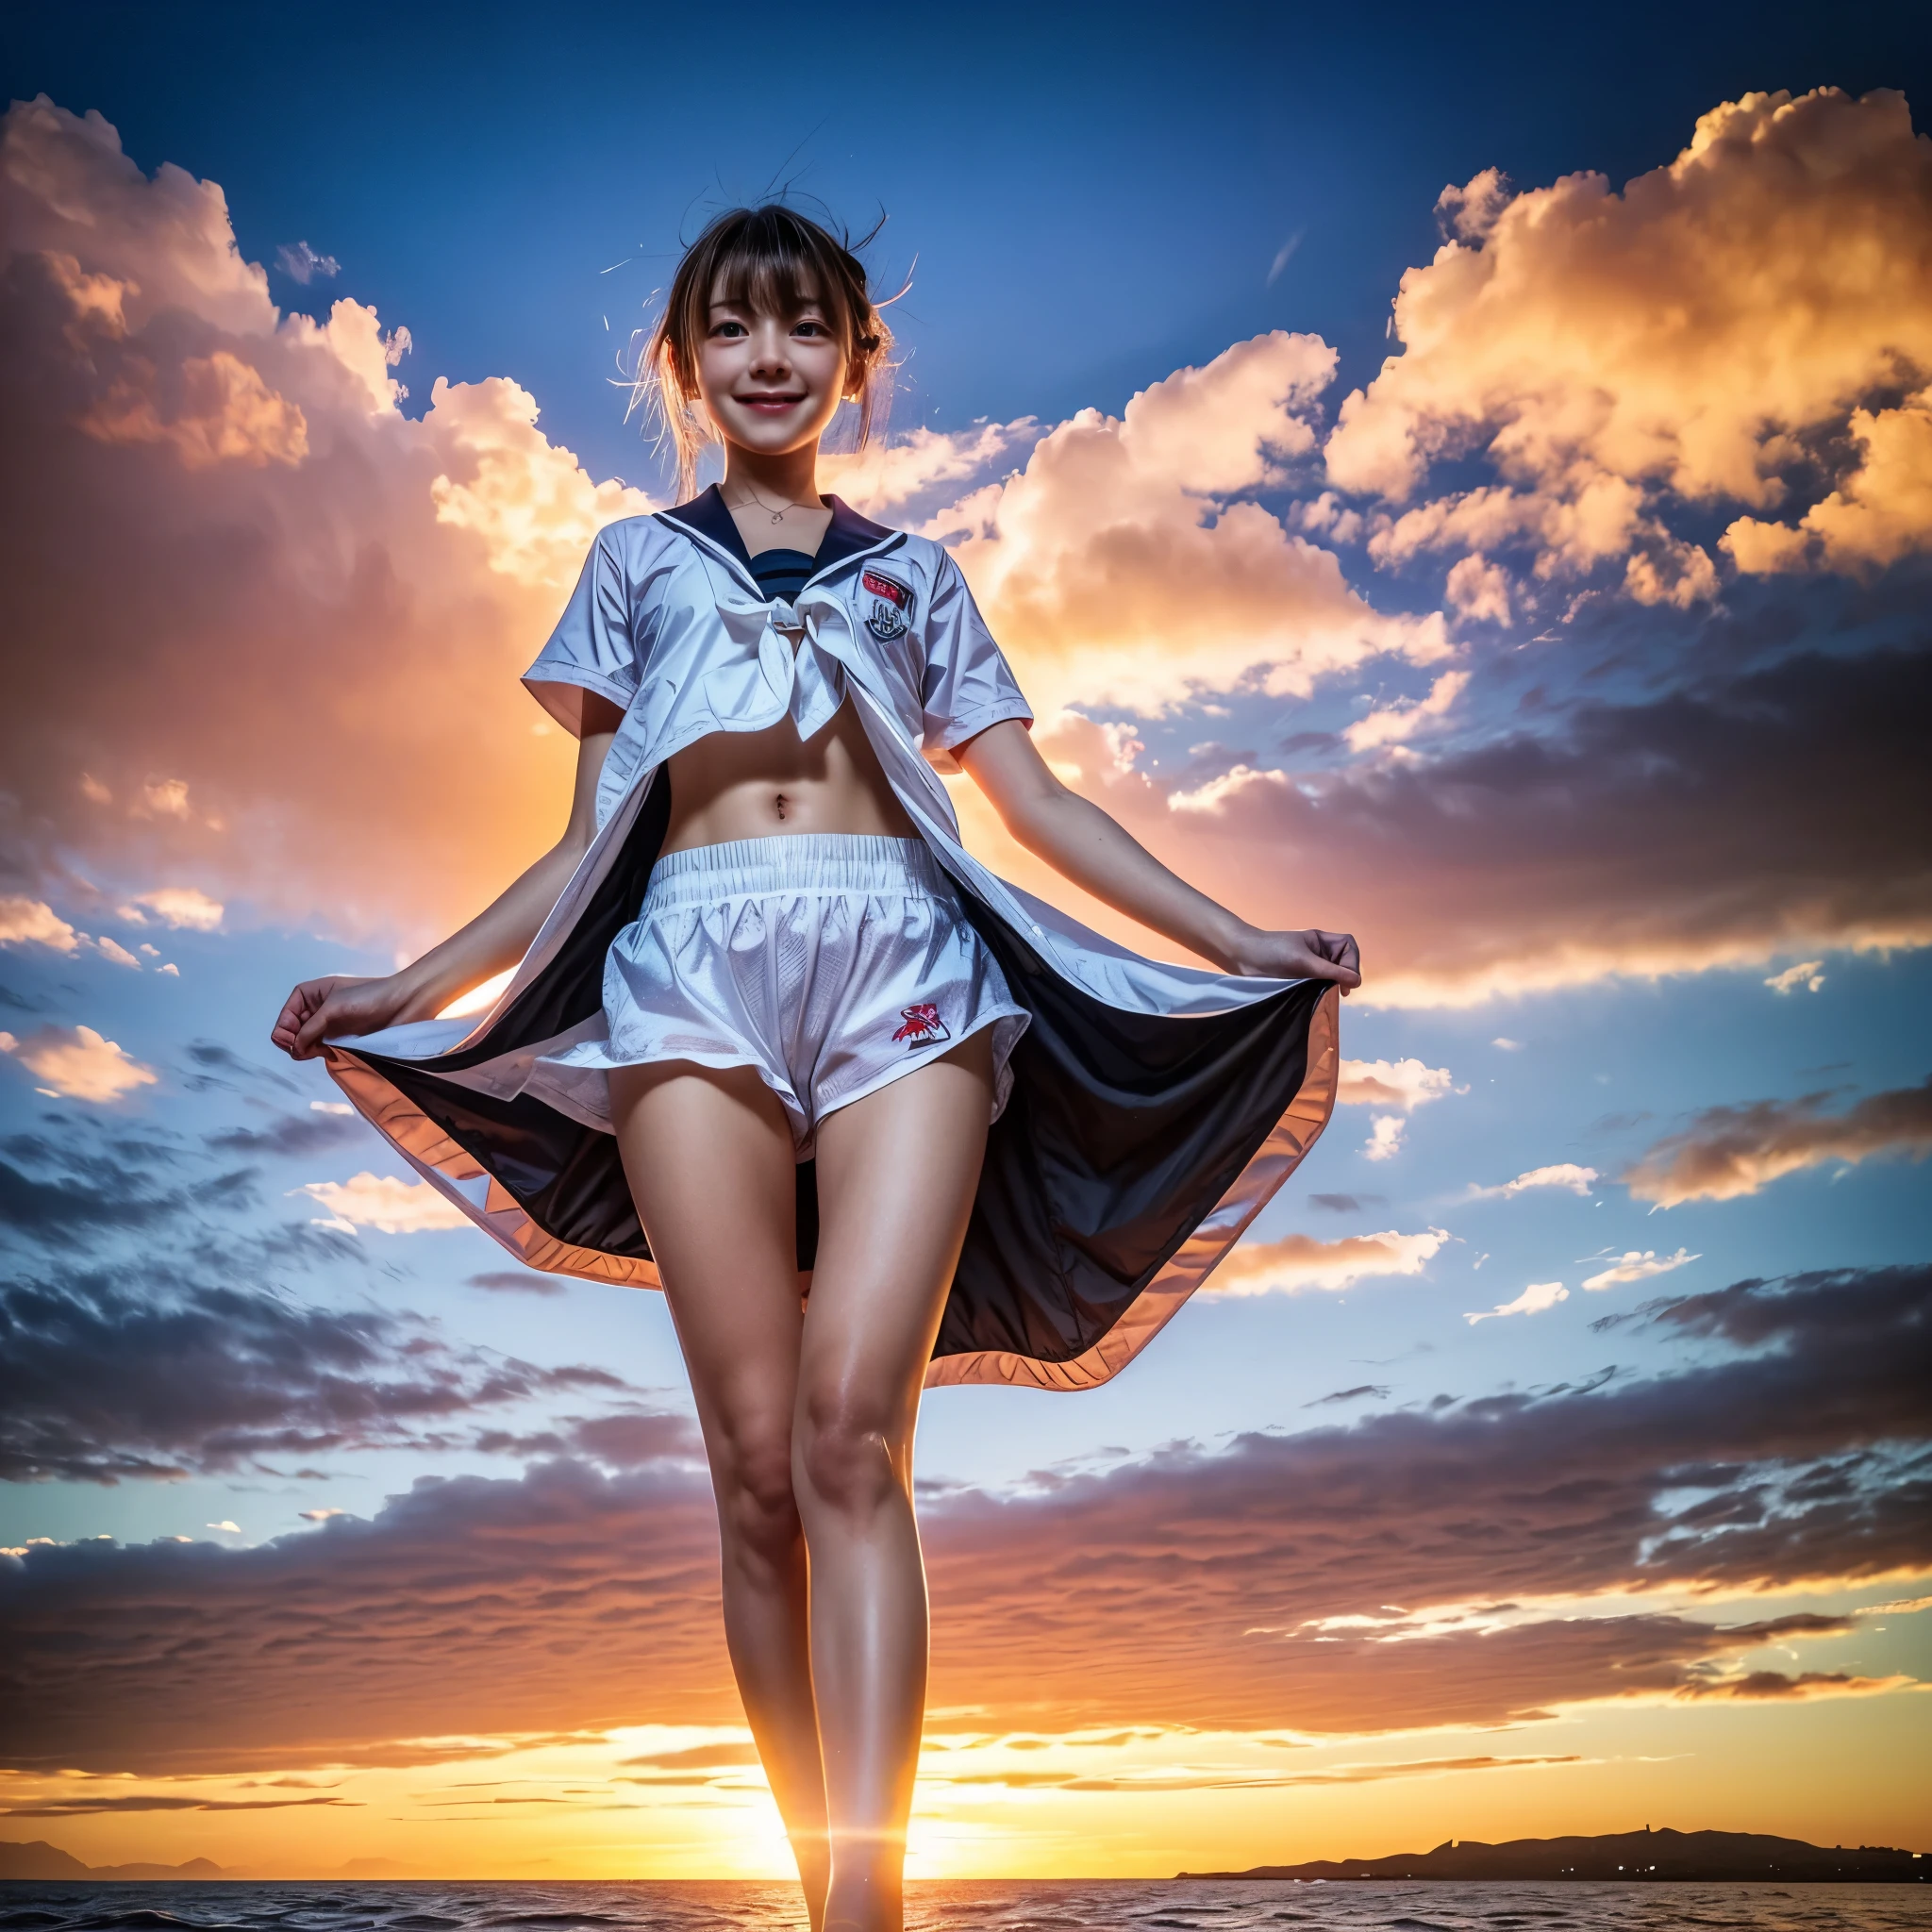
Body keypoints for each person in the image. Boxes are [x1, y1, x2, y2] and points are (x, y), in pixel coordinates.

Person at [272, 203, 1357, 1932]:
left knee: (858, 1430)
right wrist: (405, 982)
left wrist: (1236, 945)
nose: (766, 359)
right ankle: (811, 1886)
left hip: (902, 972)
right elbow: (582, 849)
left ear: (857, 358)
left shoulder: (916, 573)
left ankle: (874, 1912)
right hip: (689, 971)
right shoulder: (635, 561)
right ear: (683, 363)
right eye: (729, 329)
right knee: (758, 1463)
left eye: (802, 329)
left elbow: (1037, 801)